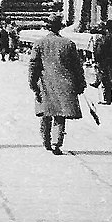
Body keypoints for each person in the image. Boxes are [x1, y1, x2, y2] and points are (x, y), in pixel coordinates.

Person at [28, 13, 84, 155]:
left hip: (45, 83)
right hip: (64, 84)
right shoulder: (69, 44)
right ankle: (56, 143)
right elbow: (77, 67)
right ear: (60, 27)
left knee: (46, 114)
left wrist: (32, 83)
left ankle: (46, 141)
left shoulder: (39, 43)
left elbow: (34, 65)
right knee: (60, 115)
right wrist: (80, 84)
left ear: (48, 27)